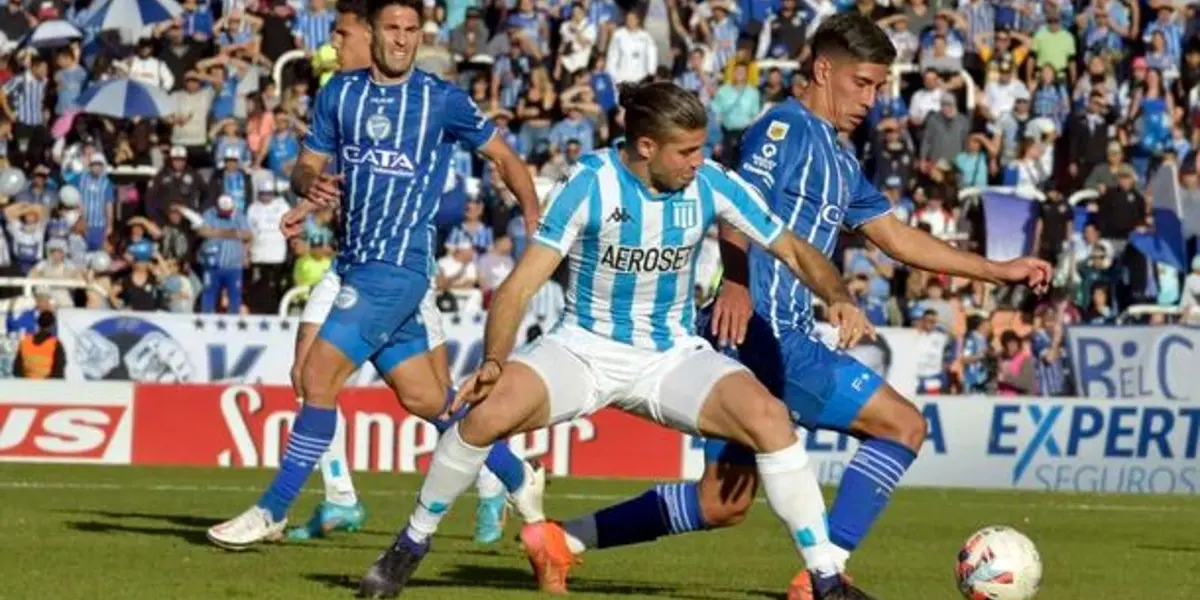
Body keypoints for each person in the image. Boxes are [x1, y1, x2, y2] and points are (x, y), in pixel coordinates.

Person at [527, 13, 1054, 600]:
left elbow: (897, 238)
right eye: (864, 83)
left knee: (719, 503)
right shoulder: (784, 127)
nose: (872, 99)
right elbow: (735, 200)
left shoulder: (843, 159)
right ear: (824, 69)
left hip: (766, 335)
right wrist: (737, 283)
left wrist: (995, 268)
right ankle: (823, 574)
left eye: (880, 86)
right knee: (902, 425)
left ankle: (561, 539)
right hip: (768, 334)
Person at [356, 80, 878, 600]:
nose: (699, 161)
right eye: (688, 151)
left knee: (770, 419)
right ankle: (411, 543)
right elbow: (517, 288)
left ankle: (826, 581)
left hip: (670, 355)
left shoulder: (712, 183)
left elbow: (792, 247)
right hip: (582, 349)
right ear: (646, 147)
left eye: (702, 148)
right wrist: (495, 360)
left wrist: (837, 295)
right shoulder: (588, 183)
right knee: (485, 417)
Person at [207, 0, 545, 549]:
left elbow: (504, 157)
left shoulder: (440, 100)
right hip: (356, 262)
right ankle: (515, 474)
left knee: (316, 379)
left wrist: (532, 219)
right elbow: (309, 162)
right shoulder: (340, 94)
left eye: (412, 30)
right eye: (392, 28)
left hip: (397, 268)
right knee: (427, 401)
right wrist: (304, 184)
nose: (403, 39)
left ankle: (272, 510)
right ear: (374, 33)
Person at [13, 310, 65, 379]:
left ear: (38, 323)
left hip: (26, 387)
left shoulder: (25, 342)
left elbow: (16, 370)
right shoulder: (56, 344)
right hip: (47, 387)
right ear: (52, 325)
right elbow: (58, 372)